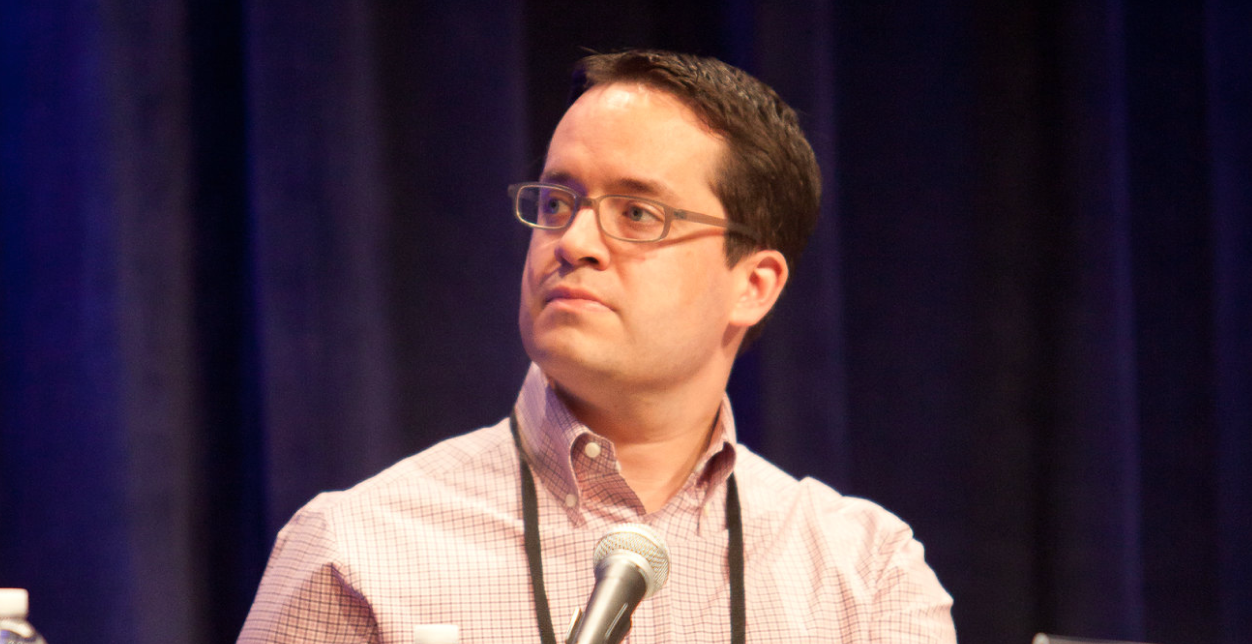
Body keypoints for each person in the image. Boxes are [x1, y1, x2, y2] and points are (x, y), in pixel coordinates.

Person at [239, 49, 956, 643]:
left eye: (638, 214)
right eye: (557, 203)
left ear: (754, 285)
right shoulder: (357, 551)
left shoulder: (864, 577)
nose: (574, 242)